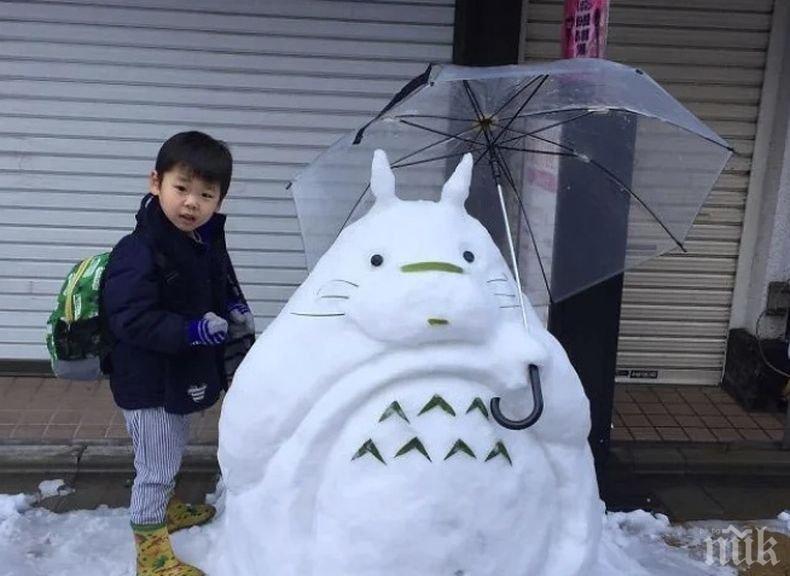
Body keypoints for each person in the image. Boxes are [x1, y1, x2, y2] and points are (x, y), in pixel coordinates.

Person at [102, 131, 255, 576]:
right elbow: (129, 318)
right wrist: (191, 330)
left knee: (169, 448)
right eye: (182, 188)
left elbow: (214, 286)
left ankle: (164, 509)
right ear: (156, 182)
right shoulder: (138, 250)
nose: (192, 202)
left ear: (220, 200)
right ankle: (151, 554)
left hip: (180, 374)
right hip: (148, 382)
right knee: (156, 465)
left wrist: (232, 307)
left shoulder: (201, 242)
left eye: (206, 194)